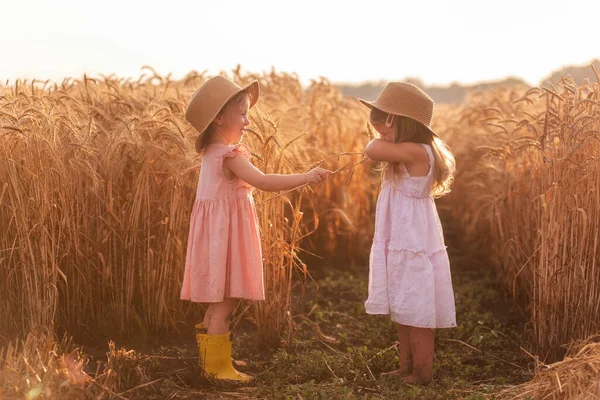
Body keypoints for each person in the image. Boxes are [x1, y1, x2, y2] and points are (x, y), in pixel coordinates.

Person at [181, 76, 331, 382]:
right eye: (244, 114)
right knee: (224, 303)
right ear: (220, 118)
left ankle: (213, 363)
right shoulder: (230, 156)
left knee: (216, 302)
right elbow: (263, 182)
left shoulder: (212, 152)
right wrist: (306, 176)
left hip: (214, 237)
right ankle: (219, 370)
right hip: (224, 238)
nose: (248, 121)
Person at [360, 82, 457, 384]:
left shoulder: (416, 151)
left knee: (418, 311)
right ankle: (405, 368)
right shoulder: (404, 150)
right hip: (400, 238)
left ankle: (422, 373)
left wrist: (382, 138)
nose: (381, 138)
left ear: (397, 121)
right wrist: (386, 132)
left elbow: (370, 148)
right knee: (404, 306)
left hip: (413, 240)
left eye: (386, 129)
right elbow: (378, 146)